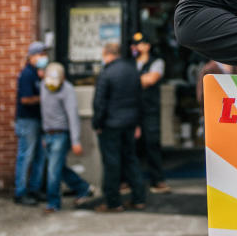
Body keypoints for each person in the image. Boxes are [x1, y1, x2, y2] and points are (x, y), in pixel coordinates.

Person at [92, 42, 147, 212]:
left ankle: (113, 202)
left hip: (110, 125)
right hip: (130, 124)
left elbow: (99, 103)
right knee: (131, 160)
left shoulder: (106, 73)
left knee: (112, 163)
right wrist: (138, 123)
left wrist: (97, 124)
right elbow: (140, 99)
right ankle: (139, 198)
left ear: (107, 53)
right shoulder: (132, 71)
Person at [40, 62, 94, 212]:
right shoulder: (43, 86)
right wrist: (43, 134)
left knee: (52, 170)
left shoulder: (67, 90)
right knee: (58, 169)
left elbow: (72, 116)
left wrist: (75, 140)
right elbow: (43, 111)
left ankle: (53, 203)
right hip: (48, 133)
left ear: (63, 78)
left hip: (60, 134)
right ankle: (83, 188)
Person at [130, 31, 170, 193]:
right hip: (132, 109)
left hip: (150, 110)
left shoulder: (157, 62)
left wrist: (130, 80)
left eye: (139, 44)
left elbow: (151, 79)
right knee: (131, 146)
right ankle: (132, 181)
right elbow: (143, 80)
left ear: (147, 46)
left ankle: (157, 180)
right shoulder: (130, 63)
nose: (136, 48)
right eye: (135, 44)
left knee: (152, 144)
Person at [14, 40, 49, 205]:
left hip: (38, 119)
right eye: (41, 54)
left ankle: (35, 189)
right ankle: (20, 192)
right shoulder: (27, 74)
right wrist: (44, 98)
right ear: (32, 56)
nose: (44, 57)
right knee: (26, 156)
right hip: (27, 121)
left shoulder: (38, 73)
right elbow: (25, 99)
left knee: (39, 156)